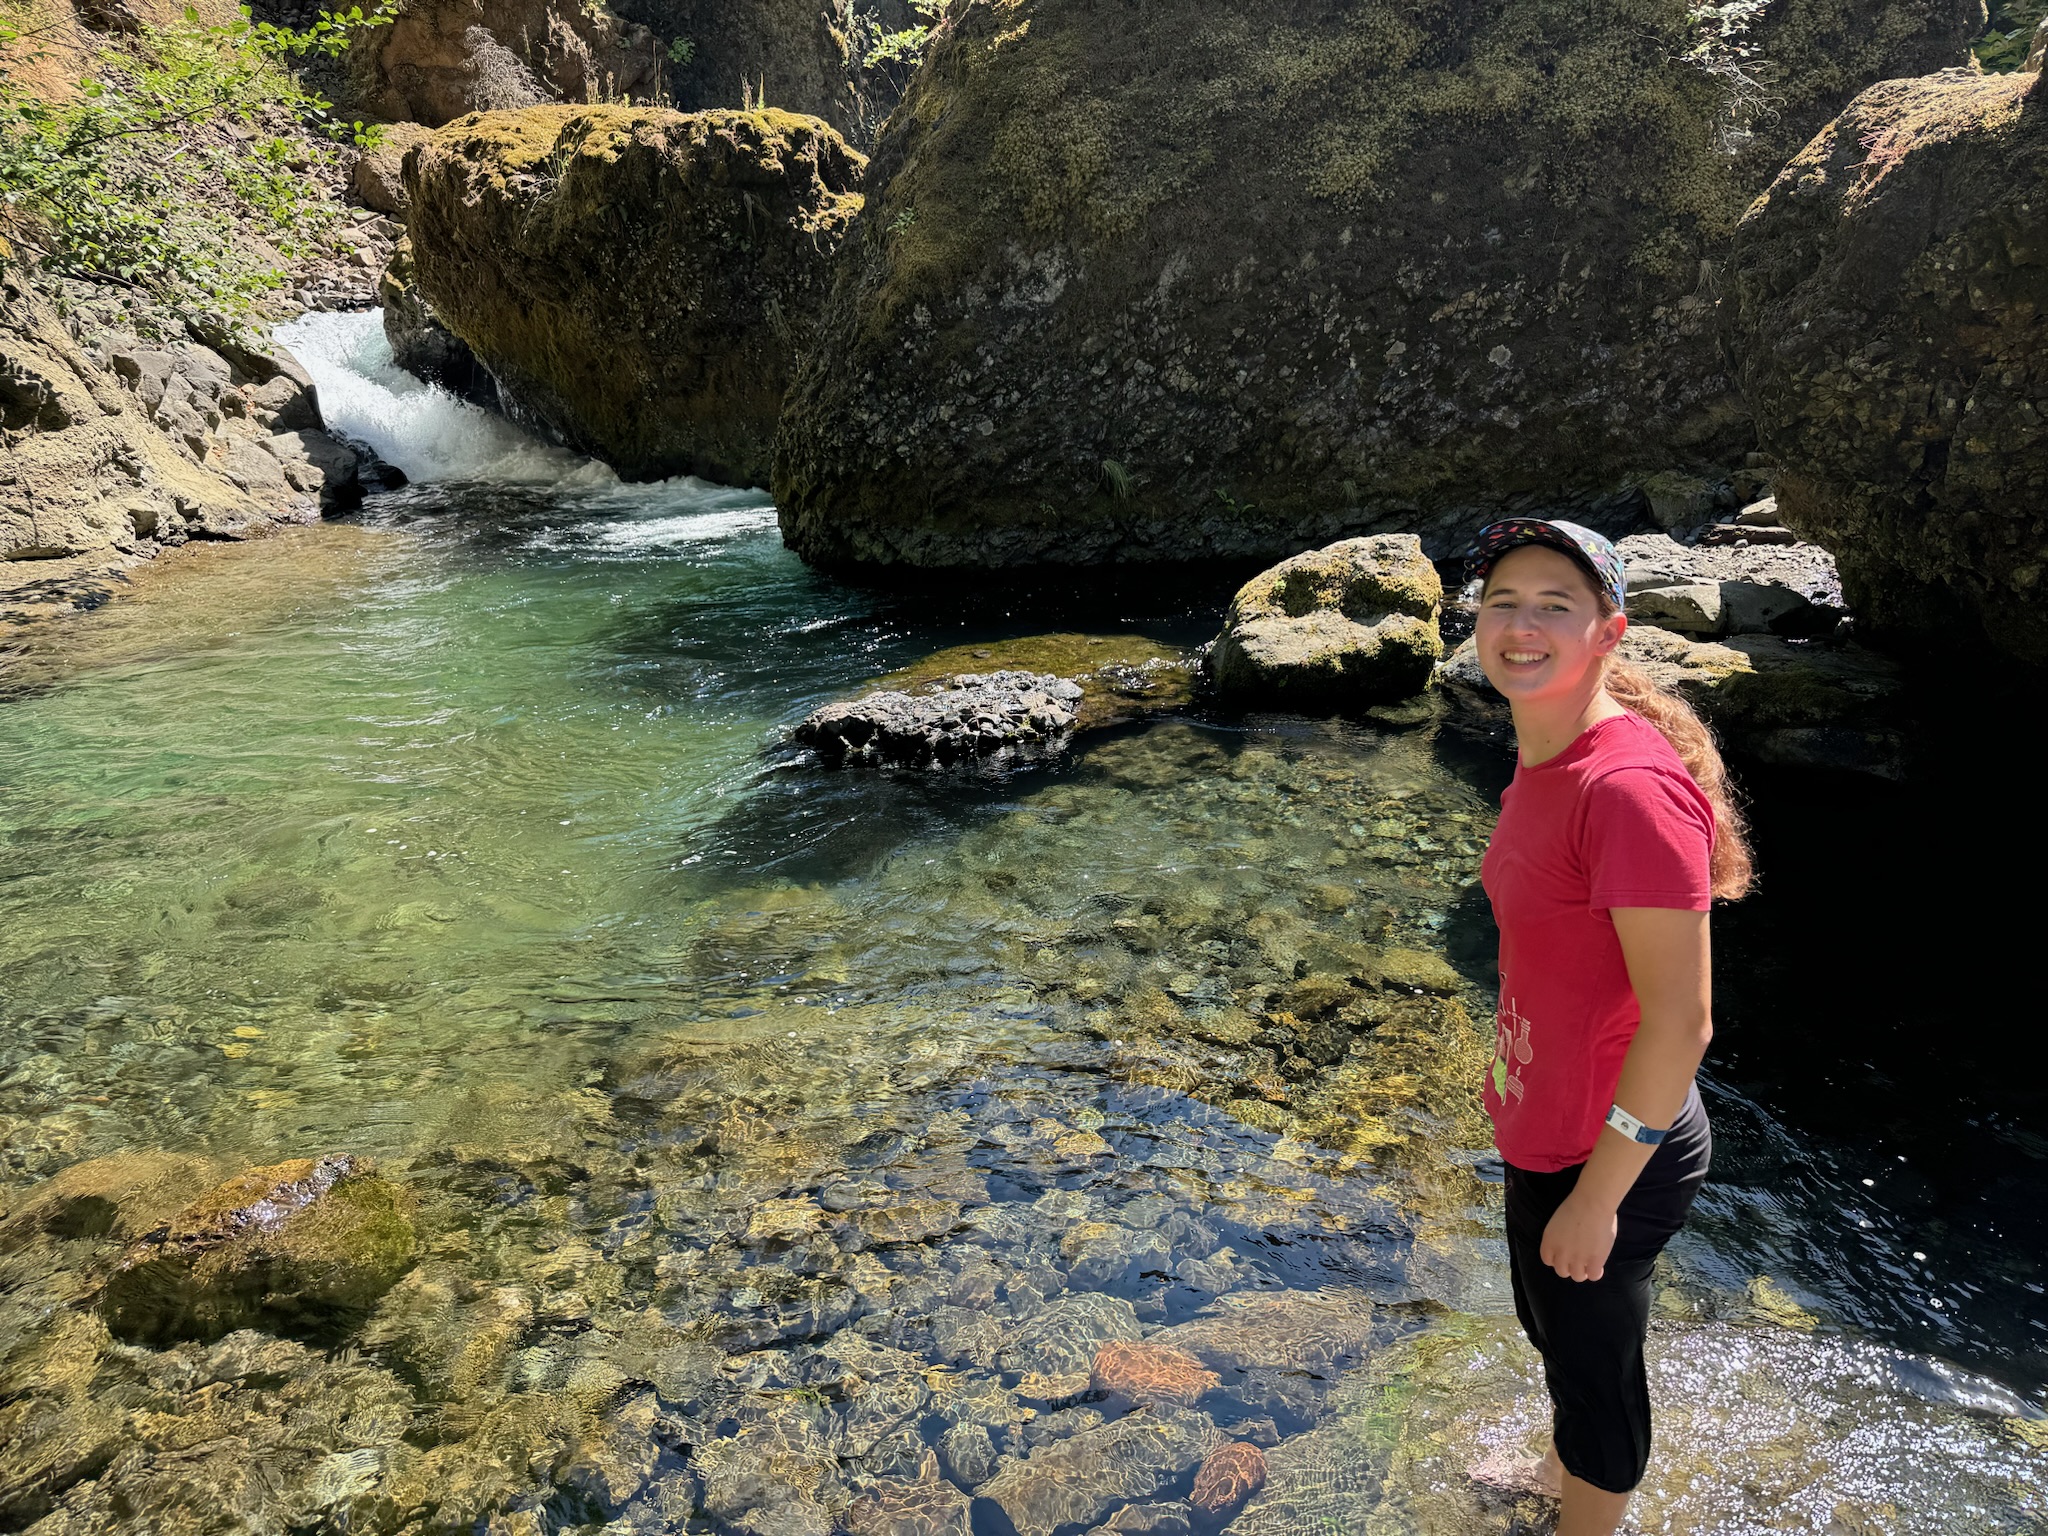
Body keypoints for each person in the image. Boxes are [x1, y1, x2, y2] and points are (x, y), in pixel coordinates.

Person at [1464, 517, 1752, 1536]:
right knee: (1554, 1334)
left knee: (1596, 1382)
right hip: (1549, 1127)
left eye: (1555, 605)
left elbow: (1681, 1023)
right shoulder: (1548, 749)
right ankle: (1554, 1475)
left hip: (1609, 1149)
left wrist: (1596, 1199)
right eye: (1502, 601)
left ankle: (1587, 1516)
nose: (1522, 624)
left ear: (1608, 633)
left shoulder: (1624, 791)